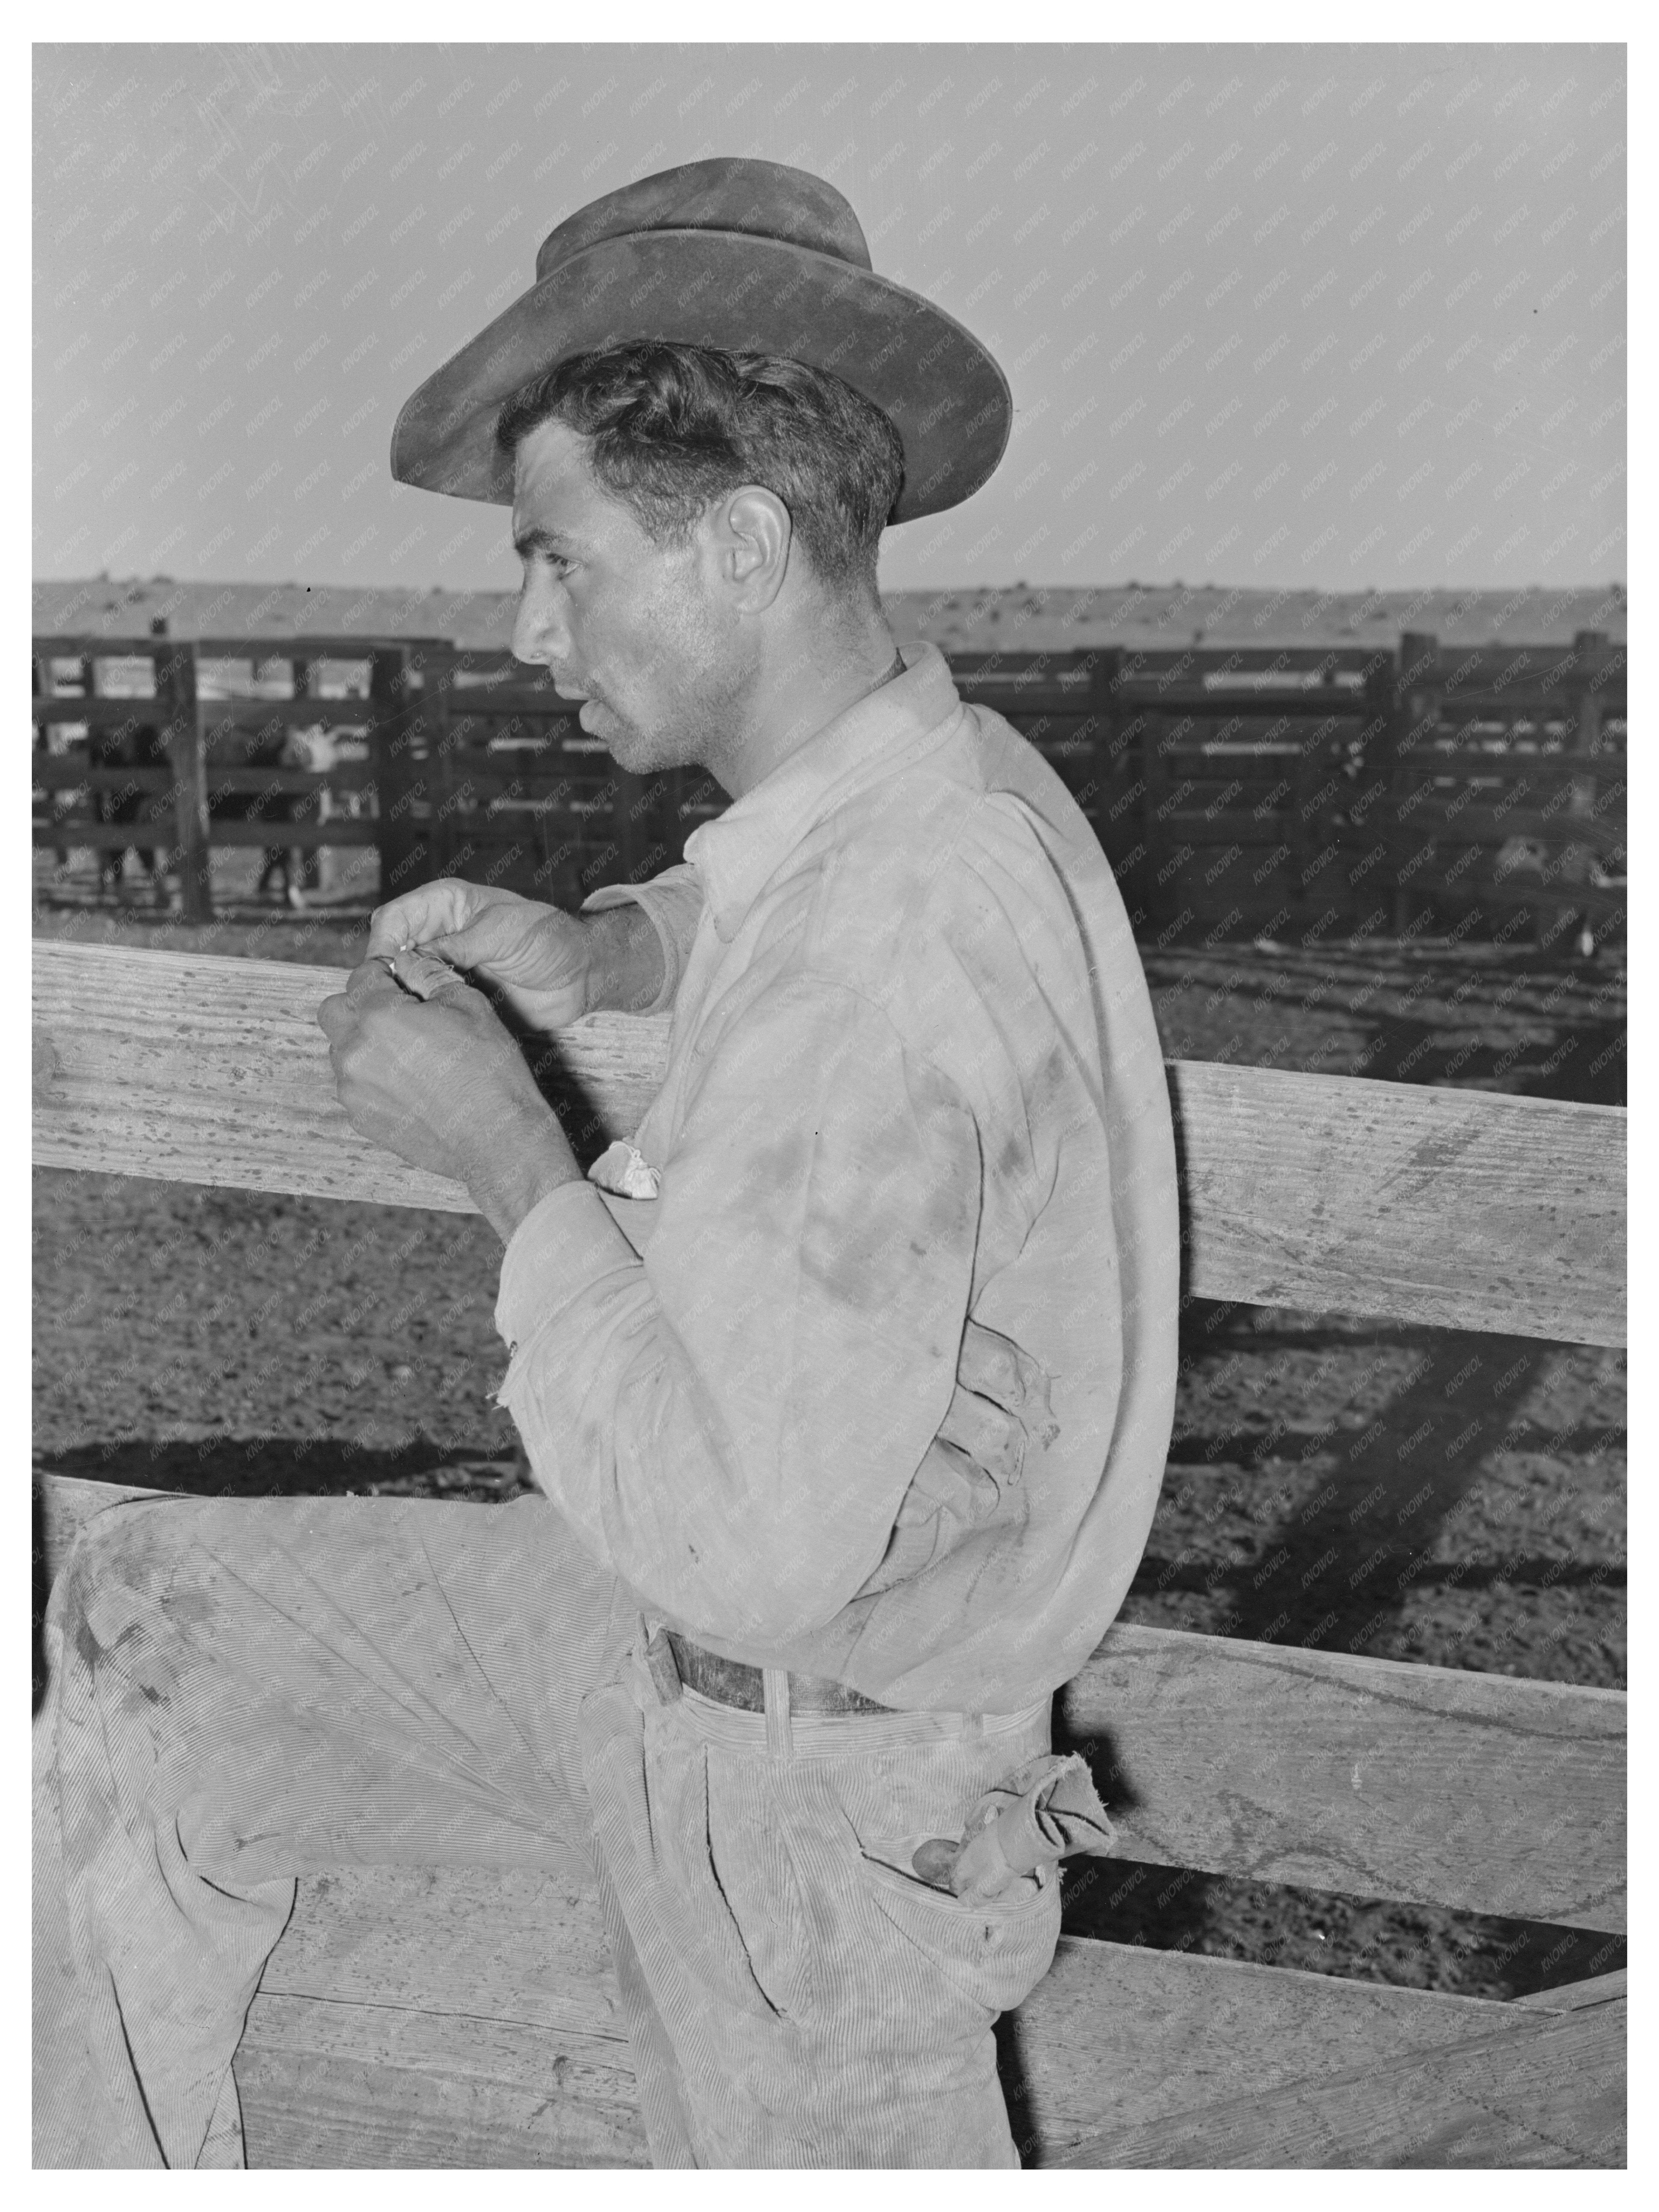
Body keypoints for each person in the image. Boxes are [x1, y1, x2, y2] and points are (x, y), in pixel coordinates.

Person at [34, 158, 1179, 2169]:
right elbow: (777, 911)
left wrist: (511, 1168)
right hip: (741, 1687)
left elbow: (738, 1537)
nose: (520, 622)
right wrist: (609, 958)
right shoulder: (949, 792)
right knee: (140, 1618)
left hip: (800, 1793)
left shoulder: (882, 962)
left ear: (734, 545)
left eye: (558, 557)